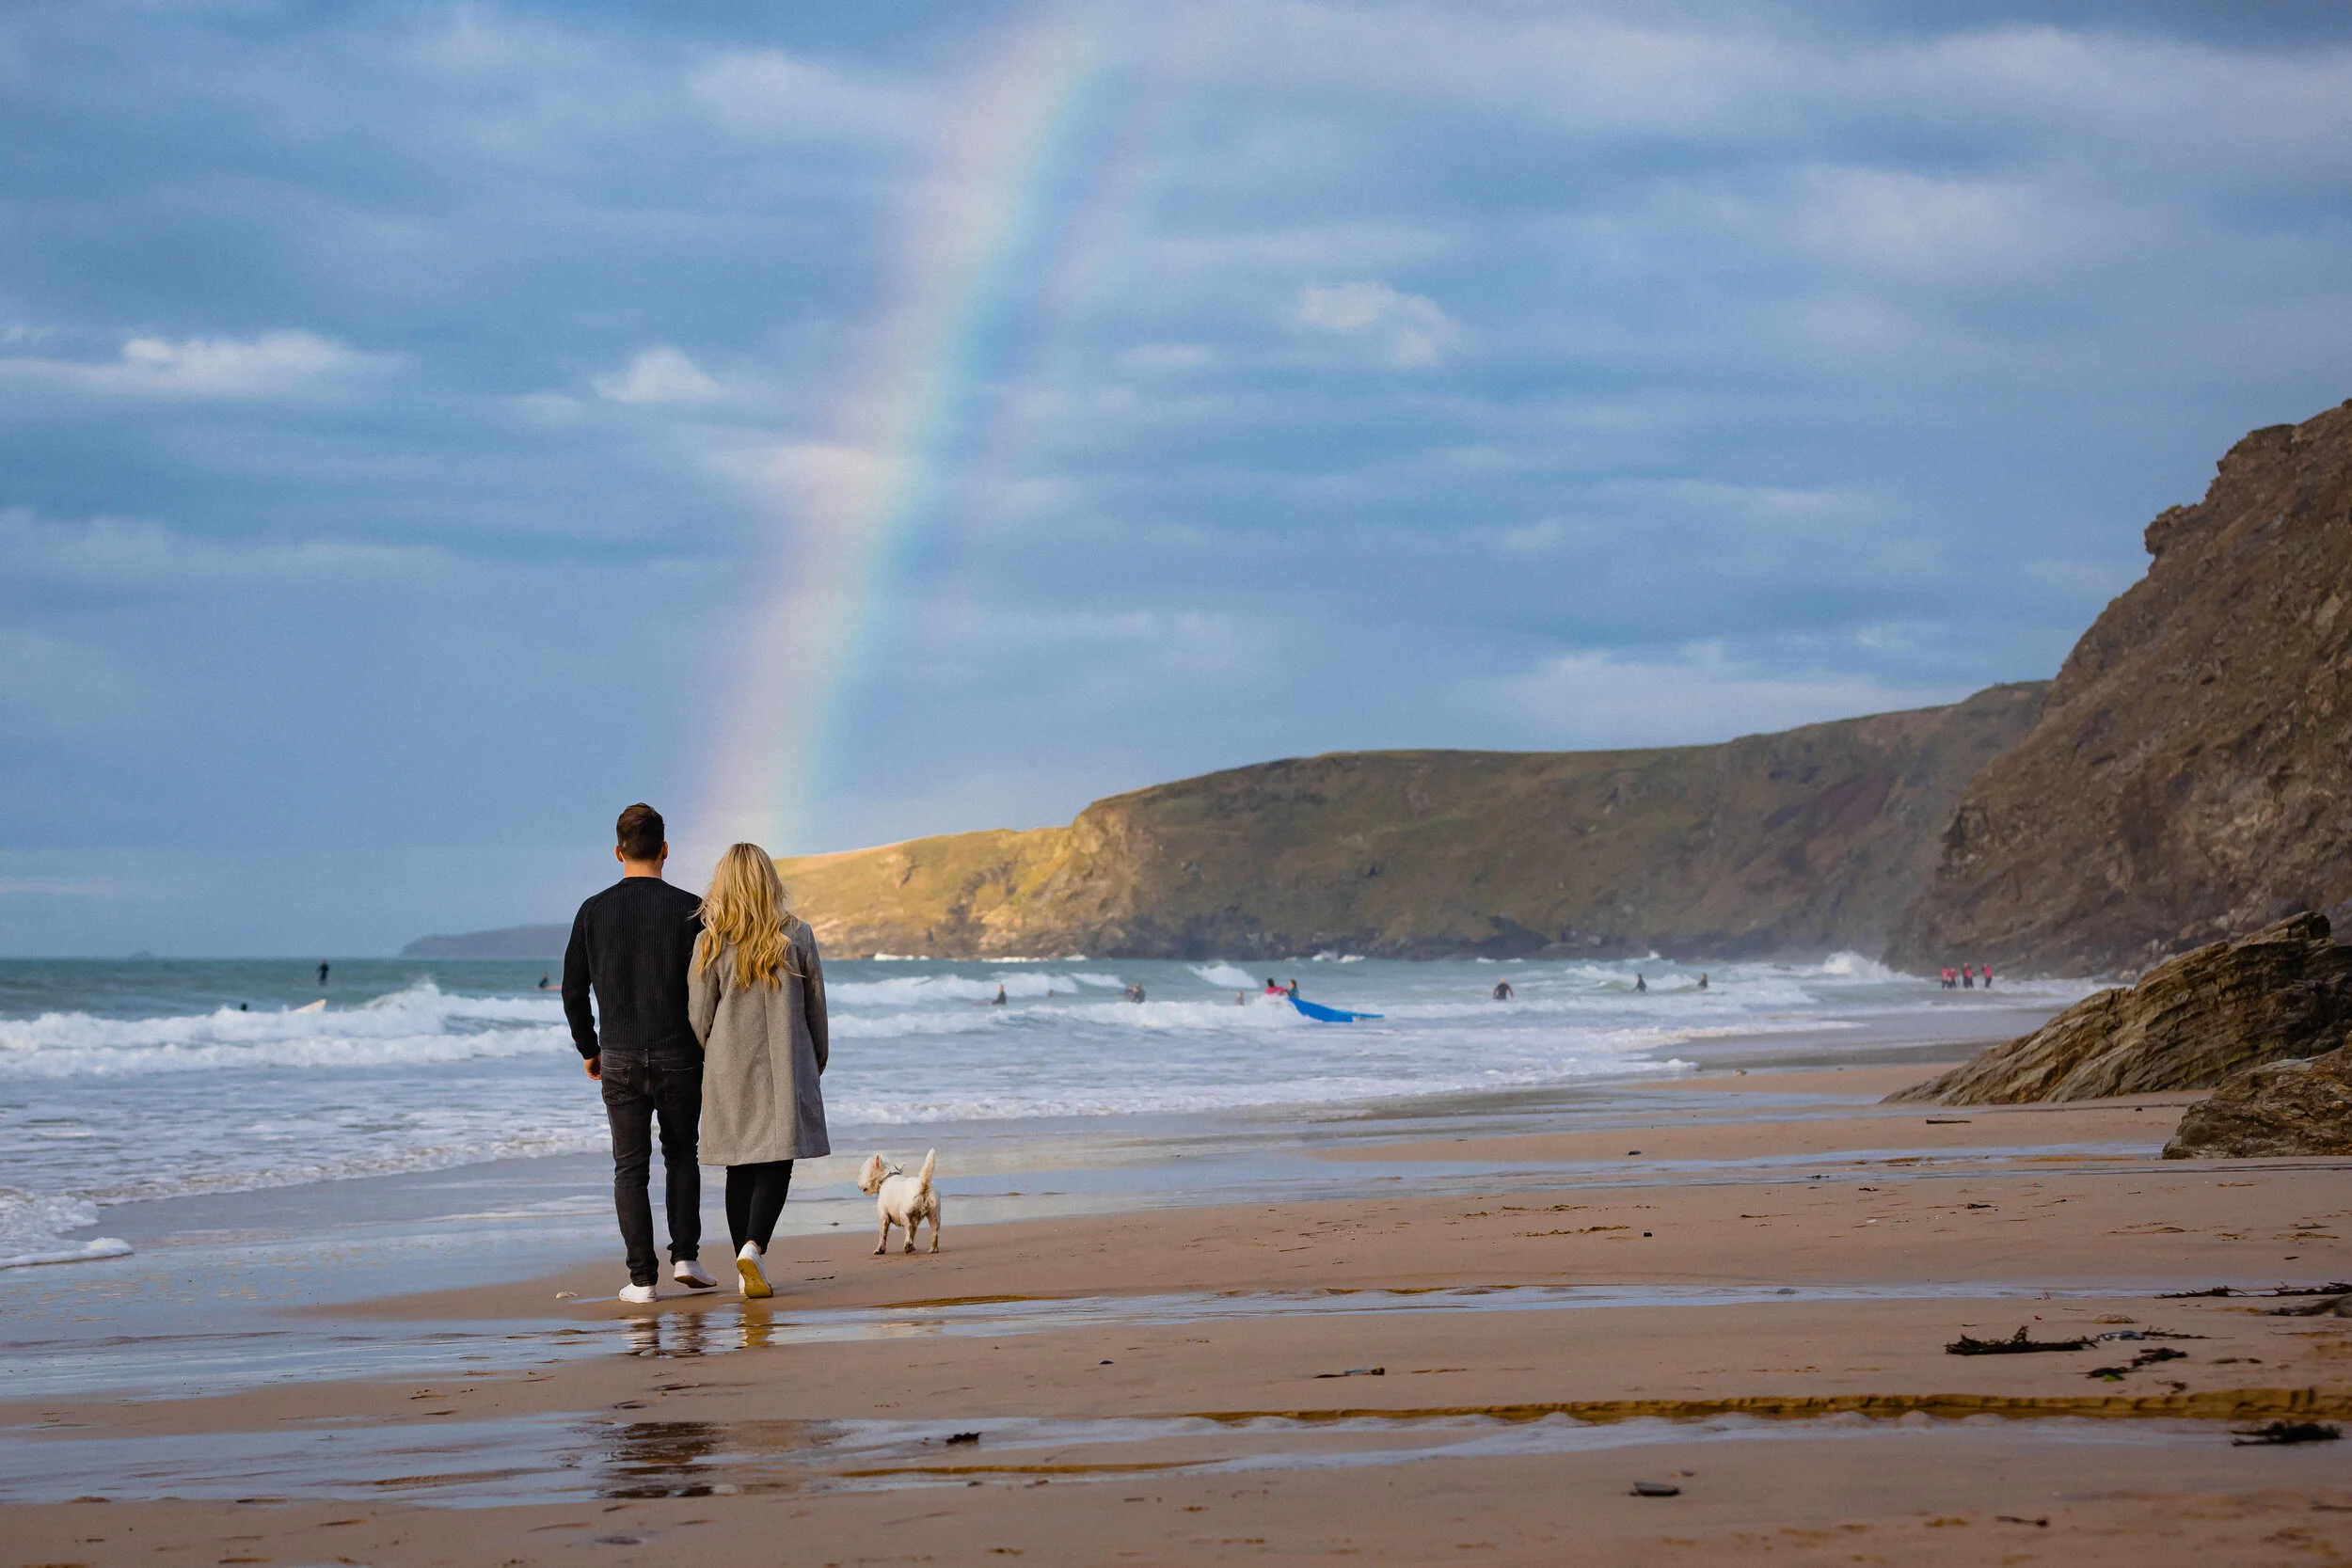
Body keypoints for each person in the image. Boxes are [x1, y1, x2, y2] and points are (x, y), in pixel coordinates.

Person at [564, 802, 716, 1305]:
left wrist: (590, 1047)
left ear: (617, 851)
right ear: (666, 850)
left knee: (630, 1167)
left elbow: (572, 990)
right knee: (681, 1154)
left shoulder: (593, 910)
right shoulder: (693, 910)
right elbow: (712, 986)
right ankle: (687, 1257)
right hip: (680, 1054)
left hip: (620, 1056)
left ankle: (642, 1280)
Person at [689, 843, 829, 1302]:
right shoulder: (798, 935)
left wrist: (713, 1055)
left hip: (730, 1066)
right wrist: (817, 1060)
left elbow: (698, 1016)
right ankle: (754, 1248)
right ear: (770, 881)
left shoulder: (710, 940)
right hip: (785, 1063)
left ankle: (745, 1258)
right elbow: (816, 1011)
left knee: (739, 1166)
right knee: (777, 1158)